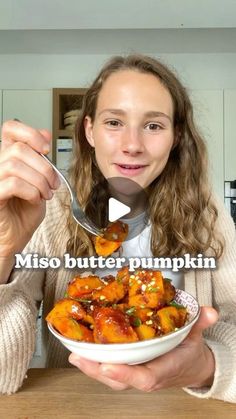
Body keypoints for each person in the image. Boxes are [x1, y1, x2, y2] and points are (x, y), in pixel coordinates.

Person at [0, 54, 235, 401]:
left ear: (176, 137)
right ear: (89, 130)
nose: (132, 145)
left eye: (153, 125)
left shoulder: (208, 216)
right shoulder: (47, 214)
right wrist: (4, 248)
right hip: (70, 405)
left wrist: (206, 366)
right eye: (114, 122)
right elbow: (5, 377)